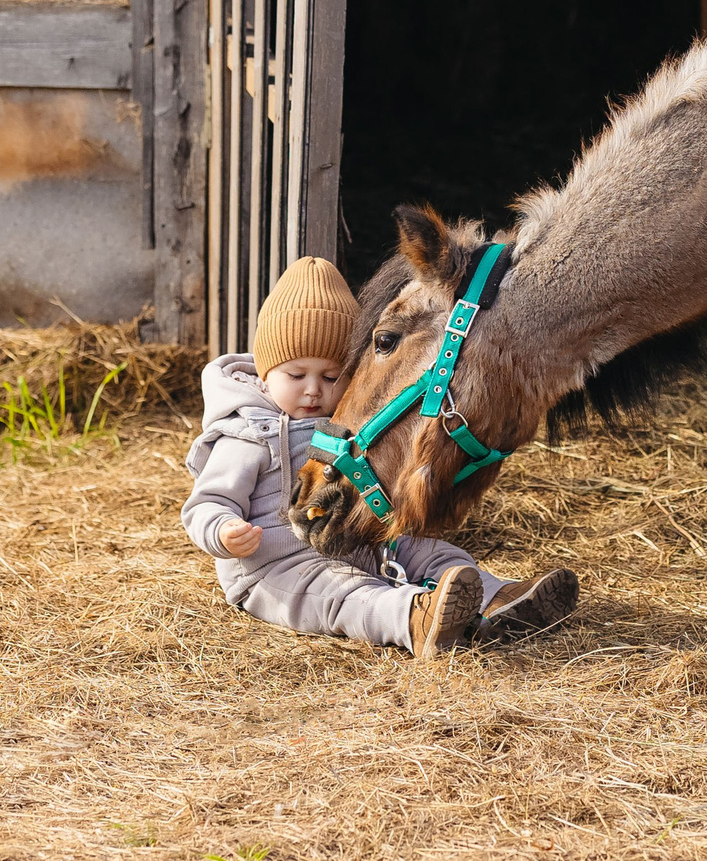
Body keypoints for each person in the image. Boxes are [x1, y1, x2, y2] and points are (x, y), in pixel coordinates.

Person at [182, 255, 578, 656]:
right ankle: (413, 619)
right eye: (296, 375)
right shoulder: (246, 434)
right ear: (265, 374)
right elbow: (207, 503)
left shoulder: (344, 421)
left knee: (430, 551)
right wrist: (223, 532)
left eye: (332, 377)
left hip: (364, 544)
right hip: (280, 568)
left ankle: (498, 598)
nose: (314, 390)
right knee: (344, 594)